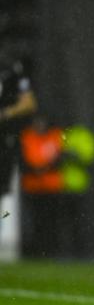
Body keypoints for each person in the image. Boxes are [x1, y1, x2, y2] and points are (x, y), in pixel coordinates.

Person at [0, 56, 37, 208]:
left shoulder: (12, 70)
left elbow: (29, 103)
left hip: (6, 137)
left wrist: (6, 113)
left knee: (5, 187)